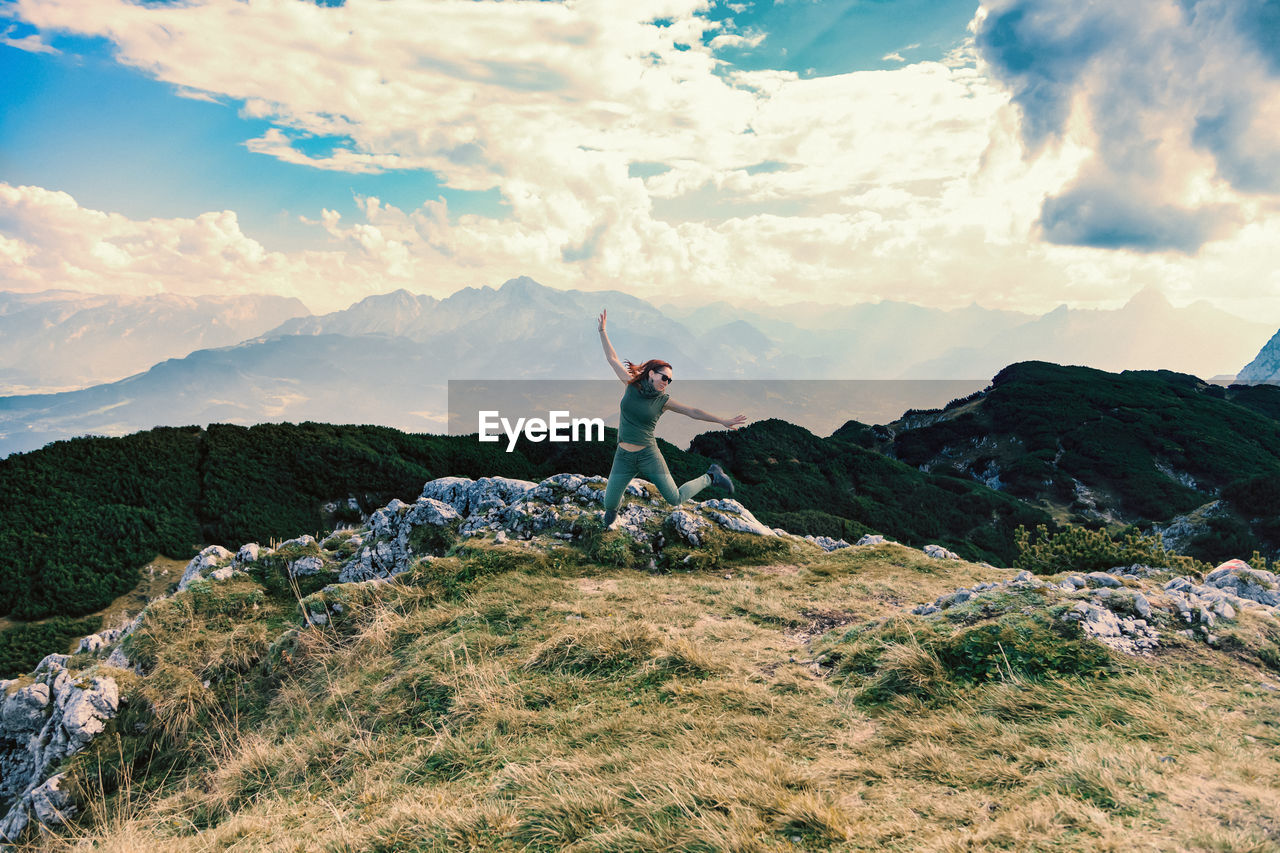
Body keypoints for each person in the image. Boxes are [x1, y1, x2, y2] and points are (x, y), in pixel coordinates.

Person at [597, 308, 746, 528]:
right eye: (664, 377)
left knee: (675, 498)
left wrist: (722, 420)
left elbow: (693, 411)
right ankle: (610, 521)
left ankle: (712, 476)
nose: (666, 382)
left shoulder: (663, 401)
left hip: (648, 455)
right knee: (609, 504)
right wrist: (602, 330)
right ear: (651, 373)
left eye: (670, 380)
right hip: (623, 457)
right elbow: (612, 359)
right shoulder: (631, 384)